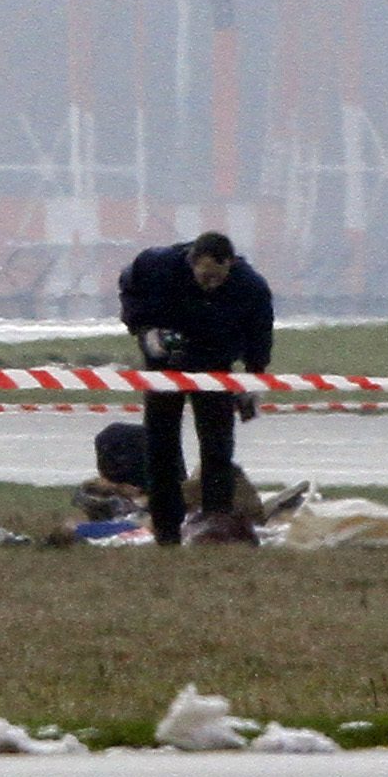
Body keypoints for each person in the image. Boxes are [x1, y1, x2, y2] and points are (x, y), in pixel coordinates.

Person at [117, 231, 275, 545]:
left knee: (218, 447)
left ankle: (216, 524)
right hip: (165, 365)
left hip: (214, 367)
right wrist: (142, 329)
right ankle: (166, 529)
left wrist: (253, 380)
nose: (210, 284)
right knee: (161, 446)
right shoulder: (158, 265)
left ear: (230, 264)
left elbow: (260, 332)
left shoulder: (250, 286)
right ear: (191, 263)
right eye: (204, 277)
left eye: (217, 278)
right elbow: (129, 285)